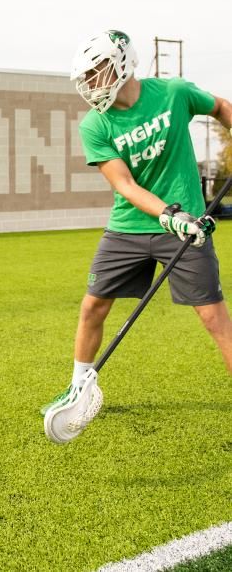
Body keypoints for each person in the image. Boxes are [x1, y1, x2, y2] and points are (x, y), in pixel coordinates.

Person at [42, 30, 232, 416]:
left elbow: (220, 107)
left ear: (122, 64)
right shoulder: (95, 125)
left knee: (213, 317)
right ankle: (79, 387)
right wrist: (167, 215)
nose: (91, 84)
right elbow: (124, 185)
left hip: (187, 228)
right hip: (128, 228)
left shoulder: (174, 93)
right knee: (92, 307)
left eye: (98, 72)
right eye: (87, 77)